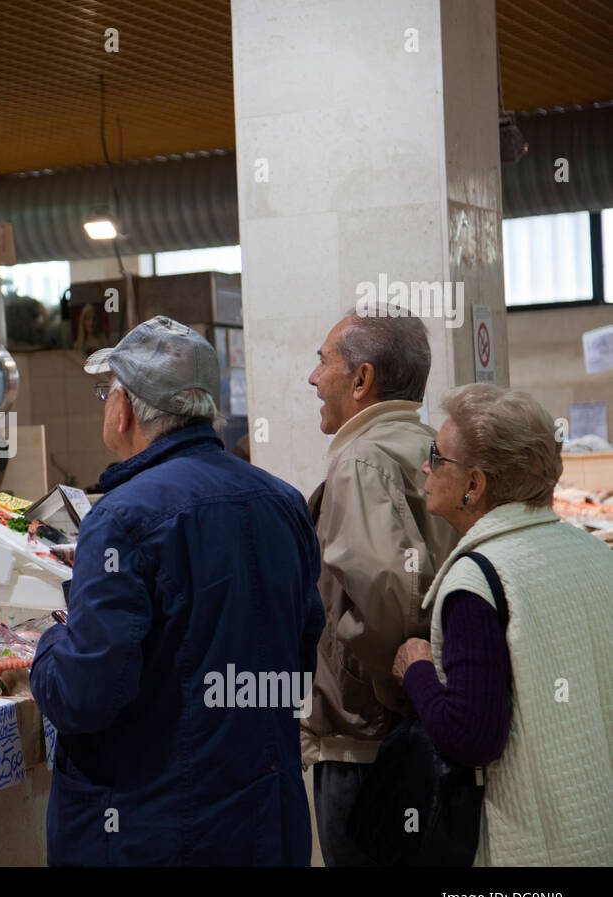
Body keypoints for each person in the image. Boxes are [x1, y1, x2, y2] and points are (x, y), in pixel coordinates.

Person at [30, 317, 324, 866]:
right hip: (267, 818)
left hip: (156, 831)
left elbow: (86, 694)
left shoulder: (119, 518)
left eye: (107, 391)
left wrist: (48, 645)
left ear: (124, 407)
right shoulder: (283, 502)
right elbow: (301, 652)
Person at [392, 384, 613, 865]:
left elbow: (472, 737)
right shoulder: (596, 556)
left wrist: (416, 670)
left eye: (437, 456)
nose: (426, 468)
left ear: (475, 483)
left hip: (536, 846)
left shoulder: (479, 580)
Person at [302, 307, 457, 865]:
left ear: (362, 379)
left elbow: (386, 596)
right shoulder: (430, 445)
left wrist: (409, 692)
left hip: (370, 742)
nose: (313, 378)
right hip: (423, 730)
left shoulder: (360, 460)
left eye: (323, 362)